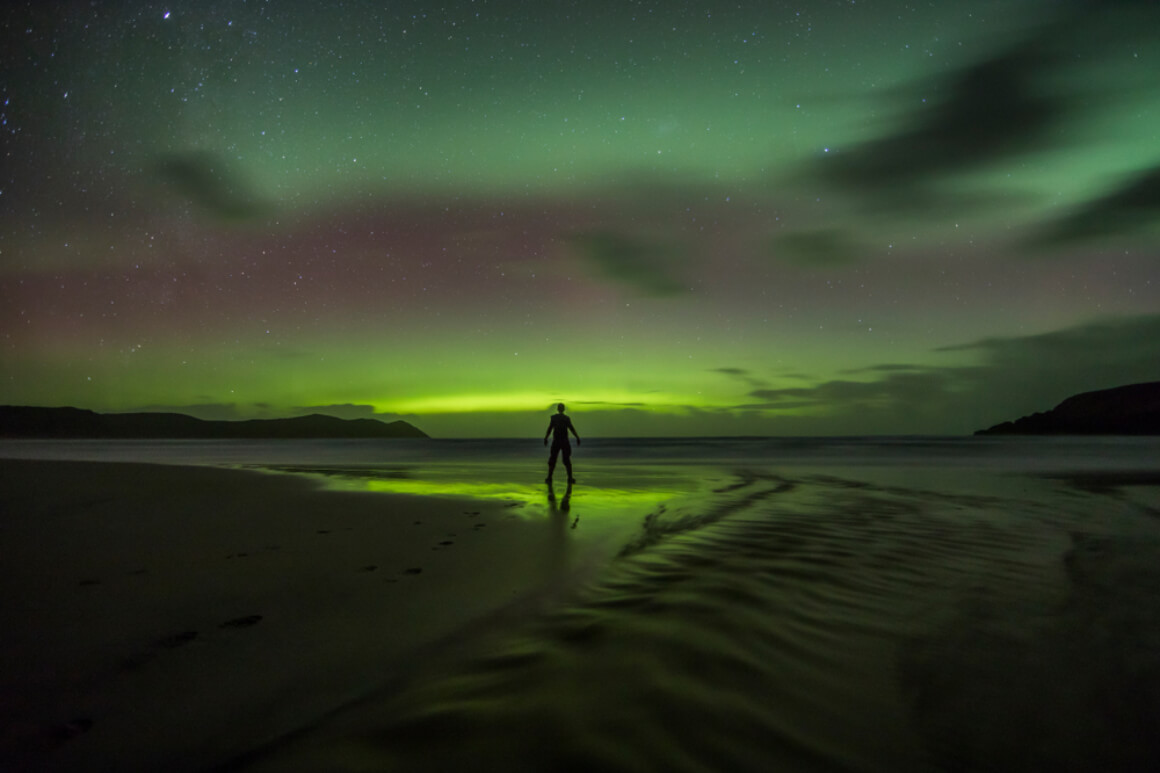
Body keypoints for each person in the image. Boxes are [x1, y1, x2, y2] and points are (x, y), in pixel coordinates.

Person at [543, 402, 580, 484]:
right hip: (561, 441)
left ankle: (553, 478)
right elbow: (550, 429)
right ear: (563, 409)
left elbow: (571, 428)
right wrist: (577, 437)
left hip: (561, 441)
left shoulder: (561, 418)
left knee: (558, 459)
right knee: (560, 460)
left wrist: (546, 438)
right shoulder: (562, 418)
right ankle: (565, 478)